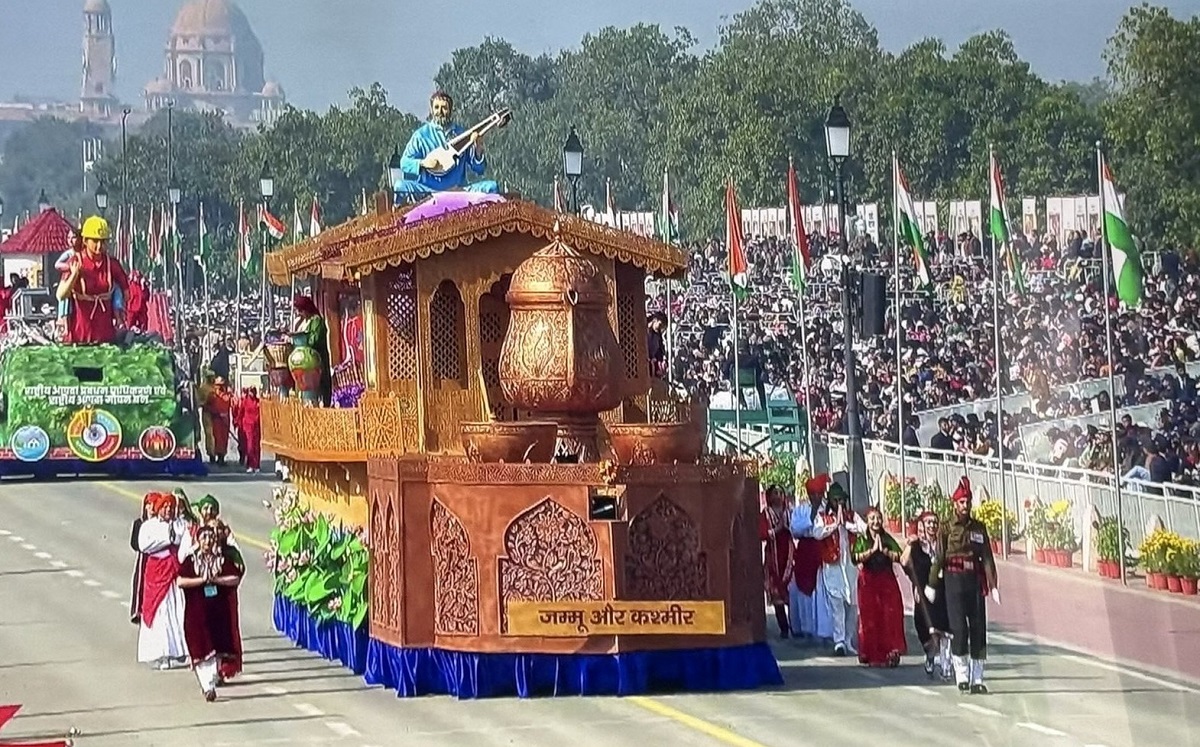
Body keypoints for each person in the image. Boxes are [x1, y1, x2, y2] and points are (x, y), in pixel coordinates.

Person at [926, 477, 1000, 694]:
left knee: (978, 628)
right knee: (959, 628)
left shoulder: (979, 528)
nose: (965, 506)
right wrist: (931, 583)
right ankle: (962, 674)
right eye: (961, 502)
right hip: (953, 580)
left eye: (967, 502)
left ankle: (977, 678)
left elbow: (986, 557)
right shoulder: (947, 528)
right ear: (954, 504)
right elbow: (939, 556)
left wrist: (993, 584)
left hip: (974, 581)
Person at [178, 524, 244, 701]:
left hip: (218, 611)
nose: (207, 541)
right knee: (200, 646)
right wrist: (201, 581)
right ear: (198, 541)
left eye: (210, 538)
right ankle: (207, 687)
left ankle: (212, 681)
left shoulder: (222, 560)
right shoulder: (190, 561)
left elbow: (235, 578)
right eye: (204, 538)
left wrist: (216, 580)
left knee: (216, 648)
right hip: (196, 612)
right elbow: (180, 581)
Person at [394, 90, 499, 201]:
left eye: (444, 107)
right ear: (431, 110)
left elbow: (479, 169)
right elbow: (404, 163)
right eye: (436, 107)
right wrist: (423, 163)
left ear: (450, 110)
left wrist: (478, 149)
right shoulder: (421, 136)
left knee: (492, 187)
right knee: (400, 187)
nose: (440, 111)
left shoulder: (461, 134)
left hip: (458, 192)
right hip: (428, 192)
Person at [55, 216, 129, 345]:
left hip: (105, 336)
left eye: (103, 241)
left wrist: (119, 309)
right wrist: (74, 275)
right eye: (95, 241)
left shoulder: (112, 264)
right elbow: (60, 295)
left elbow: (126, 290)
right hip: (80, 335)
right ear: (85, 240)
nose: (99, 246)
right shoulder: (75, 261)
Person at [811, 482, 866, 656]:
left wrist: (846, 524)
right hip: (833, 567)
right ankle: (839, 640)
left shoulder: (852, 516)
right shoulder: (823, 517)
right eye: (835, 500)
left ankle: (849, 639)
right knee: (837, 605)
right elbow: (817, 533)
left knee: (852, 604)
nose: (839, 503)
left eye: (841, 500)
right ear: (830, 502)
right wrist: (835, 524)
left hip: (850, 566)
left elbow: (865, 529)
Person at [136, 492, 190, 669]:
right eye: (165, 507)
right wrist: (168, 538)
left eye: (170, 507)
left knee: (178, 610)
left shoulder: (180, 524)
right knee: (160, 613)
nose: (168, 510)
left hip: (175, 572)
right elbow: (145, 545)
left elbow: (186, 541)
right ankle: (161, 654)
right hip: (156, 573)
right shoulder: (148, 526)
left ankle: (179, 650)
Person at [851, 507, 907, 668]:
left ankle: (891, 651)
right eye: (872, 519)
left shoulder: (887, 538)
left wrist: (884, 551)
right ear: (867, 521)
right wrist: (871, 551)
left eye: (878, 518)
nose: (876, 522)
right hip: (868, 581)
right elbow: (855, 558)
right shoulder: (862, 539)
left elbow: (900, 556)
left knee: (891, 616)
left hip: (887, 580)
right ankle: (871, 653)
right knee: (870, 617)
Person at [902, 510, 952, 679]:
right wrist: (909, 543)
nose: (932, 525)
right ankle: (930, 655)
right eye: (928, 522)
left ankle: (946, 666)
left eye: (934, 522)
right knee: (924, 628)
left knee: (944, 630)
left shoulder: (942, 545)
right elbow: (904, 562)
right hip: (922, 594)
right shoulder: (916, 546)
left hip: (942, 591)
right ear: (922, 525)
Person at [788, 474, 825, 639]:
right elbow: (795, 530)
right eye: (814, 494)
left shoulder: (828, 508)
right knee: (802, 588)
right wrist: (811, 517)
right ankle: (803, 626)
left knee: (821, 589)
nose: (817, 497)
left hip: (822, 549)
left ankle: (821, 629)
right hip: (805, 549)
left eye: (819, 494)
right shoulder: (800, 509)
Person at [758, 485, 793, 638]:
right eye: (775, 493)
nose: (778, 496)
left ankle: (796, 626)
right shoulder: (766, 514)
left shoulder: (790, 512)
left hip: (789, 554)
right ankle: (783, 628)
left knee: (791, 592)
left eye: (781, 493)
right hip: (773, 556)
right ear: (769, 496)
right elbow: (762, 534)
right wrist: (778, 529)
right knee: (776, 591)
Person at [293, 294, 331, 405]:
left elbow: (314, 340)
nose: (300, 314)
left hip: (317, 360)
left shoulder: (316, 321)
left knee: (319, 389)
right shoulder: (305, 321)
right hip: (308, 361)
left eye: (301, 311)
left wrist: (304, 340)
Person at [128, 493, 154, 625]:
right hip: (143, 557)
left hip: (154, 558)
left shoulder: (157, 524)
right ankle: (137, 609)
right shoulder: (139, 523)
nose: (151, 508)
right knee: (139, 582)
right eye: (149, 505)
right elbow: (134, 543)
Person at [201, 376, 233, 466]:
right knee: (217, 438)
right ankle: (214, 456)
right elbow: (206, 406)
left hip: (225, 421)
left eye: (222, 385)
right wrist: (214, 412)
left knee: (224, 439)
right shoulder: (212, 395)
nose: (220, 387)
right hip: (217, 420)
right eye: (218, 385)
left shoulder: (227, 395)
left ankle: (221, 457)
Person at [236, 387, 262, 473]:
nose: (252, 394)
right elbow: (240, 413)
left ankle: (256, 465)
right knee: (249, 446)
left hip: (257, 427)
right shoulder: (245, 402)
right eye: (251, 392)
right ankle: (250, 464)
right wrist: (237, 423)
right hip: (247, 426)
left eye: (253, 392)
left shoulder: (258, 402)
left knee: (256, 447)